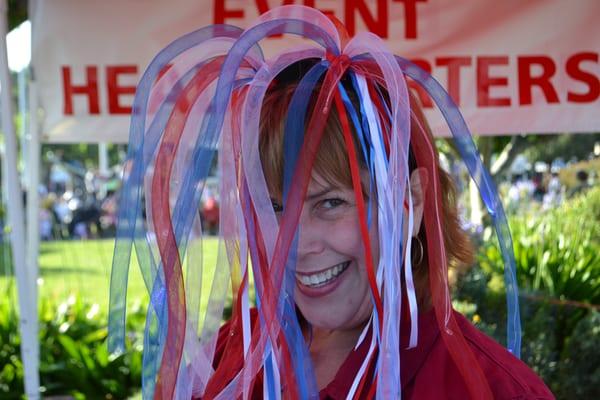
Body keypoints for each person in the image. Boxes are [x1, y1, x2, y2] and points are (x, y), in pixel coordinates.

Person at [108, 6, 553, 399]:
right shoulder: (232, 362)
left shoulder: (490, 389)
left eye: (331, 203)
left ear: (411, 202)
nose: (296, 245)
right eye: (276, 208)